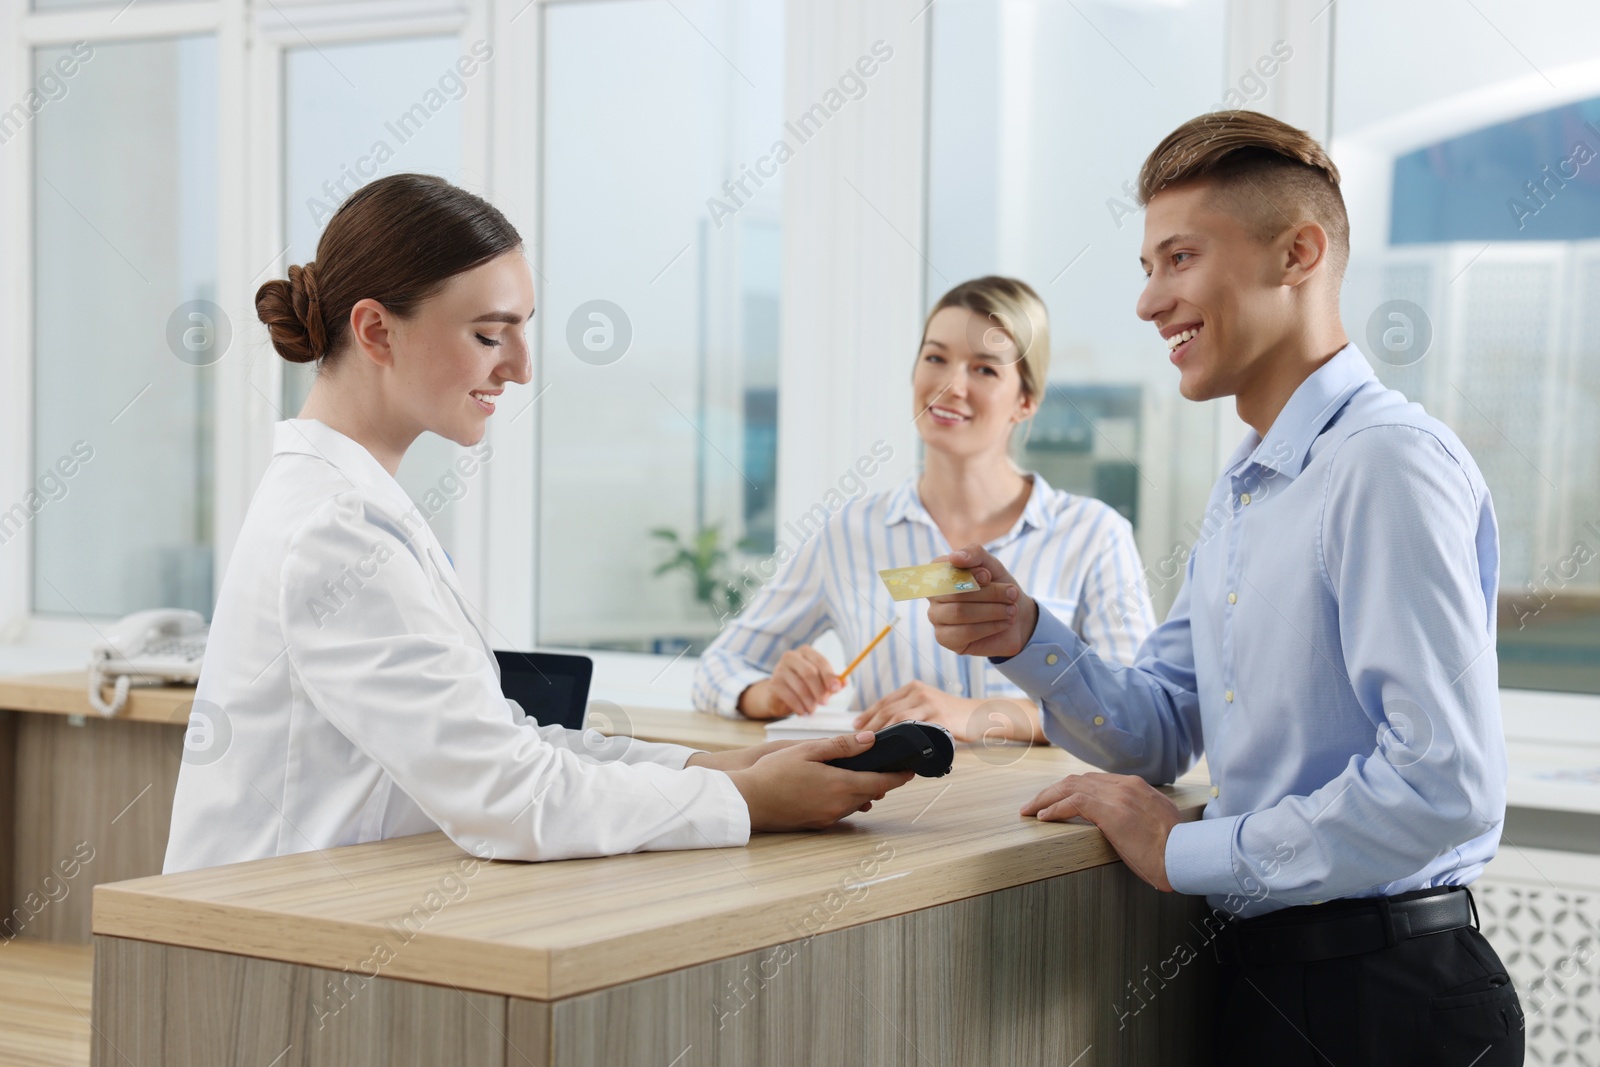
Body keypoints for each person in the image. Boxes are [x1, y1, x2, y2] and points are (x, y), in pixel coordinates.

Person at [926, 114, 1524, 1064]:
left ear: (1298, 253)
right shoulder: (1250, 486)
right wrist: (1026, 634)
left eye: (1179, 258)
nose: (1148, 301)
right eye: (1147, 264)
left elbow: (1441, 783)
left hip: (1383, 1002)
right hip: (1271, 978)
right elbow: (1161, 725)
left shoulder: (1383, 466)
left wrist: (1184, 851)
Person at [163, 174, 912, 875]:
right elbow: (508, 798)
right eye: (491, 335)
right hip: (260, 951)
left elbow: (505, 742)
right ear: (376, 331)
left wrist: (717, 769)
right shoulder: (335, 531)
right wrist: (747, 803)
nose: (520, 367)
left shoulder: (356, 508)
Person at [692, 276, 1155, 743]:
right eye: (936, 358)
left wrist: (975, 715)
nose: (951, 386)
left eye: (985, 369)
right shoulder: (850, 532)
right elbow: (720, 667)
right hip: (880, 810)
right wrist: (767, 694)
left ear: (1025, 402)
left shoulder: (1092, 534)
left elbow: (1131, 706)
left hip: (1038, 810)